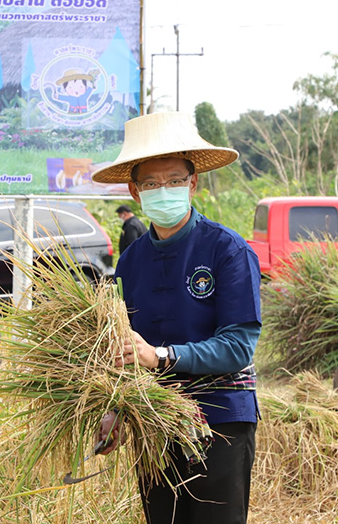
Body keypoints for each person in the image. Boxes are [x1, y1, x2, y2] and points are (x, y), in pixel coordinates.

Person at [92, 112, 261, 524]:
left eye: (173, 181)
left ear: (193, 184)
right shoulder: (131, 262)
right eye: (151, 184)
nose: (163, 191)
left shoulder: (228, 250)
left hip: (220, 417)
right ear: (135, 192)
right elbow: (126, 347)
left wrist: (162, 356)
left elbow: (238, 346)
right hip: (154, 418)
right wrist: (116, 409)